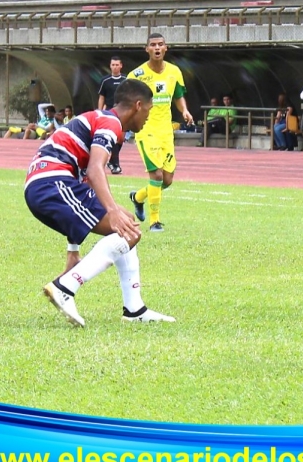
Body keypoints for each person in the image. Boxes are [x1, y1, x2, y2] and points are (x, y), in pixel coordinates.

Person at [24, 79, 175, 326]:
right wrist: (112, 209)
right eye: (148, 110)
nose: (147, 118)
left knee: (128, 228)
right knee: (125, 228)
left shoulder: (102, 121)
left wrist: (73, 249)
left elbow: (85, 183)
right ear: (138, 106)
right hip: (51, 183)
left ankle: (135, 310)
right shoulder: (110, 123)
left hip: (47, 184)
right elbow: (95, 169)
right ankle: (65, 287)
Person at [127, 33, 194, 233]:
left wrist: (184, 110)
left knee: (166, 180)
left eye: (160, 44)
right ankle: (154, 222)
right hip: (146, 130)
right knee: (155, 174)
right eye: (153, 45)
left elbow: (179, 95)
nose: (157, 48)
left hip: (166, 131)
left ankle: (138, 197)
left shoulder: (174, 72)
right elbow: (127, 103)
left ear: (166, 48)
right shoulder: (136, 76)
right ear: (146, 49)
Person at [98, 56, 126, 174]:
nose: (115, 67)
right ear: (110, 66)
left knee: (121, 138)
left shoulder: (126, 79)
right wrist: (99, 111)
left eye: (116, 65)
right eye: (112, 65)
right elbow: (101, 97)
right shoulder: (105, 80)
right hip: (110, 111)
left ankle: (112, 161)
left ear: (121, 66)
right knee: (114, 137)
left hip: (124, 111)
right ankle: (116, 164)